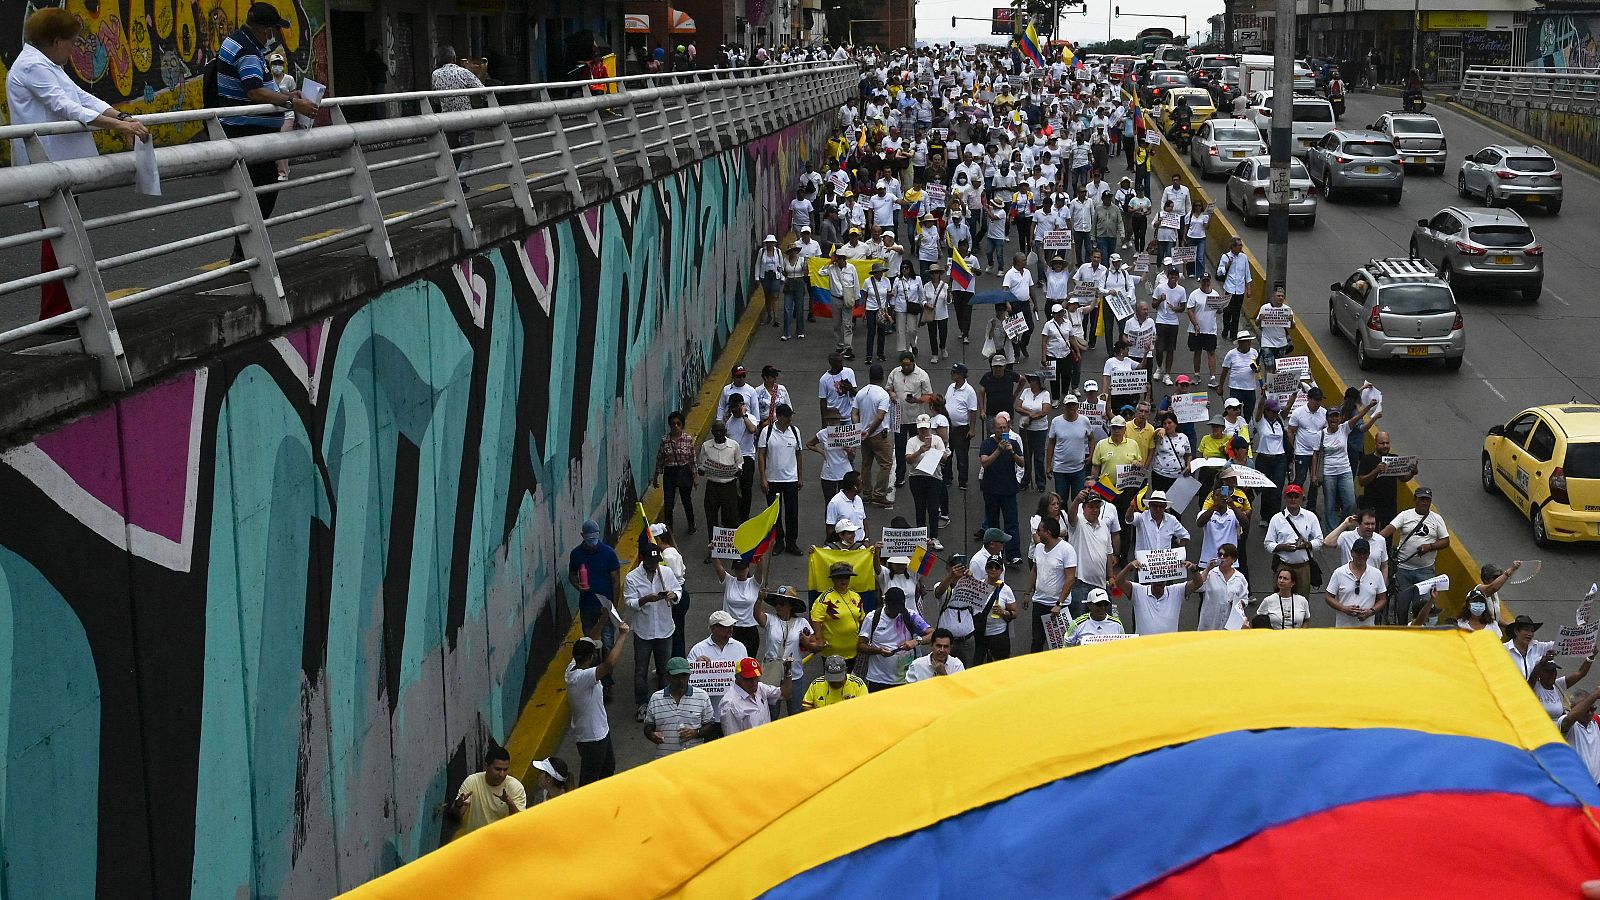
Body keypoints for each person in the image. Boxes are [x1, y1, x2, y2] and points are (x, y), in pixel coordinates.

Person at [6, 8, 153, 321]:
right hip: (50, 163)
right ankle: (57, 313)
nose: (75, 50)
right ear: (57, 41)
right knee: (59, 239)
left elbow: (81, 98)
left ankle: (64, 310)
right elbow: (65, 105)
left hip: (59, 163)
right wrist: (120, 126)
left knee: (63, 236)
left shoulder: (44, 64)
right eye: (72, 43)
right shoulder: (33, 67)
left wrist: (123, 117)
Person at [212, 3, 322, 263]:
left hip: (242, 129)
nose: (272, 35)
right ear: (264, 28)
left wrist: (286, 95)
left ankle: (247, 249)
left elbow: (258, 86)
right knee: (263, 192)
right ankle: (244, 252)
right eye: (272, 30)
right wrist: (293, 103)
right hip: (248, 132)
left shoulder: (235, 41)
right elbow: (254, 91)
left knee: (254, 192)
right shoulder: (248, 50)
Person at [566, 622, 631, 785]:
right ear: (591, 657)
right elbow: (609, 664)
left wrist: (602, 619)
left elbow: (589, 639)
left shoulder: (572, 668)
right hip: (593, 739)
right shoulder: (583, 677)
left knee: (608, 768)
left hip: (600, 732)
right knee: (589, 780)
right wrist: (622, 635)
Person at [623, 543, 681, 718]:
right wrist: (645, 599)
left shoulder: (666, 573)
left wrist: (674, 595)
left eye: (656, 562)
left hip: (664, 629)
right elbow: (629, 602)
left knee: (664, 669)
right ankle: (642, 704)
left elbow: (678, 590)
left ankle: (663, 704)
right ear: (642, 559)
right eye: (651, 561)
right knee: (641, 670)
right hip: (644, 632)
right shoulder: (632, 578)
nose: (654, 565)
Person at [569, 520, 623, 698]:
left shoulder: (608, 554)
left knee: (607, 642)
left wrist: (612, 607)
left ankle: (606, 682)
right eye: (589, 538)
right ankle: (592, 677)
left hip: (604, 607)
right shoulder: (576, 555)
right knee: (589, 643)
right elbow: (572, 575)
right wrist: (578, 585)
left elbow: (616, 581)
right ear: (582, 536)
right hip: (587, 606)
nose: (592, 542)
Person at [1379, 487, 1450, 625]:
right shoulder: (1405, 515)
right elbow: (1388, 530)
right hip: (1403, 570)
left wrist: (1430, 547)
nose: (1424, 502)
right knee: (1402, 606)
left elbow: (1446, 541)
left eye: (1427, 500)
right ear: (1415, 500)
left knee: (1423, 607)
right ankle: (1402, 630)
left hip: (1425, 571)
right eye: (1421, 499)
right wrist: (1375, 540)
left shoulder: (1437, 519)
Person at [1312, 398, 1381, 531]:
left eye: (1337, 416)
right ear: (1327, 419)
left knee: (1350, 503)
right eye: (1331, 417)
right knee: (1330, 504)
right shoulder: (1321, 435)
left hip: (1345, 471)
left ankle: (1342, 525)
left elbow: (1358, 416)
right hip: (1329, 473)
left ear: (1340, 418)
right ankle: (1332, 531)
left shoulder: (1344, 429)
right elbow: (1315, 454)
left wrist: (1369, 406)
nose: (1334, 419)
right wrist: (1314, 474)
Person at [756, 586, 819, 717]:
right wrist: (759, 600)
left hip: (794, 674)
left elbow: (815, 644)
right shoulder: (770, 619)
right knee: (771, 714)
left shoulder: (802, 622)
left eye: (782, 603)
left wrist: (807, 642)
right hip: (772, 673)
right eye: (776, 602)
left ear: (791, 606)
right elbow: (757, 615)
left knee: (795, 713)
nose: (778, 606)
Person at [857, 586, 931, 690]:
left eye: (899, 609)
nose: (896, 612)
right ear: (885, 602)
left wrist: (916, 642)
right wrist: (878, 650)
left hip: (905, 678)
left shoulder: (910, 615)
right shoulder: (872, 617)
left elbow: (933, 634)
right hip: (878, 679)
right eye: (893, 609)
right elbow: (860, 645)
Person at [641, 657, 718, 757]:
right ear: (668, 677)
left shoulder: (702, 696)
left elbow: (710, 724)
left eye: (684, 676)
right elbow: (648, 726)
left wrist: (696, 733)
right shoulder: (656, 698)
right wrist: (652, 735)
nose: (681, 681)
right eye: (676, 677)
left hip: (694, 758)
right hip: (665, 759)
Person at [757, 403, 804, 554]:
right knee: (775, 513)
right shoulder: (767, 431)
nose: (790, 419)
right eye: (788, 416)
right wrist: (763, 478)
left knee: (792, 512)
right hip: (773, 479)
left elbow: (798, 454)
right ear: (780, 416)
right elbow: (762, 454)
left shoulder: (795, 431)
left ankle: (791, 542)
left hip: (791, 479)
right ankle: (779, 541)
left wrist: (800, 477)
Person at [979, 413, 1025, 564]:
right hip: (991, 490)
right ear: (994, 429)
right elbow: (985, 463)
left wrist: (1011, 452)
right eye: (1000, 428)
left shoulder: (1014, 443)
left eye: (1005, 427)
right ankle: (994, 554)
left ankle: (1013, 554)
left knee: (1012, 523)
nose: (1003, 430)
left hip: (1009, 490)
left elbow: (1023, 463)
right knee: (993, 524)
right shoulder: (987, 444)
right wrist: (998, 450)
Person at [431, 47, 486, 172]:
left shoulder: (436, 74)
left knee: (454, 152)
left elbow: (435, 97)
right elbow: (481, 89)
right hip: (465, 117)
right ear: (454, 58)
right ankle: (461, 181)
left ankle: (456, 183)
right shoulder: (463, 72)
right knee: (467, 154)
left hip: (447, 119)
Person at [447, 747, 526, 834]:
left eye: (505, 769)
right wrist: (458, 805)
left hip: (503, 843)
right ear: (486, 766)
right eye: (498, 769)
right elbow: (456, 818)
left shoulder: (516, 787)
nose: (502, 774)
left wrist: (510, 804)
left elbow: (519, 823)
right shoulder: (472, 781)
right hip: (477, 841)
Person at [1025, 516, 1079, 643]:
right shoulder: (1038, 548)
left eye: (1039, 530)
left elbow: (1071, 578)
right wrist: (1027, 593)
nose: (1037, 533)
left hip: (1058, 606)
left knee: (1059, 643)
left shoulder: (1067, 550)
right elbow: (1034, 570)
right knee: (1037, 640)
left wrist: (1059, 604)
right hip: (1039, 602)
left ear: (1048, 533)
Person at [1264, 483, 1324, 595]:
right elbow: (1268, 543)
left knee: (1302, 601)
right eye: (1290, 496)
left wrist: (1308, 545)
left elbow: (1320, 540)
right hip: (1283, 566)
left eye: (1296, 496)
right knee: (1280, 599)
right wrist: (1281, 547)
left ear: (1302, 498)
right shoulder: (1276, 519)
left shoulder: (1310, 517)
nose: (1293, 499)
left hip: (1303, 567)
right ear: (1285, 498)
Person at [887, 351, 935, 487]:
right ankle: (900, 476)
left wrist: (917, 400)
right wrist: (892, 394)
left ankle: (921, 473)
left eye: (908, 365)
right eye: (903, 365)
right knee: (900, 448)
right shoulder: (895, 373)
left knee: (919, 446)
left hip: (916, 419)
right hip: (899, 418)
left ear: (913, 363)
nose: (905, 368)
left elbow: (929, 396)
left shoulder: (922, 375)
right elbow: (888, 388)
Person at [1113, 556, 1193, 635]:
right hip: (1144, 646)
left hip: (1169, 645)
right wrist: (1128, 567)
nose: (1159, 583)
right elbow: (1119, 582)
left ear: (1166, 581)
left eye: (1161, 581)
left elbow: (1198, 583)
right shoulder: (1138, 590)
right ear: (1150, 581)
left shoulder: (1176, 591)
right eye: (1156, 580)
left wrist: (1194, 570)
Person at [853, 364, 895, 506]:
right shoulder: (883, 394)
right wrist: (870, 431)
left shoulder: (861, 393)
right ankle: (878, 494)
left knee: (866, 464)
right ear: (882, 377)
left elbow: (854, 413)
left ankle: (866, 492)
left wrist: (859, 429)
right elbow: (880, 417)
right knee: (885, 464)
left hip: (863, 435)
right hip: (878, 434)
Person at [811, 562, 867, 669]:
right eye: (839, 577)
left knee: (850, 681)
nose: (843, 580)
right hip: (832, 653)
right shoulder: (825, 598)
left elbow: (862, 618)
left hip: (853, 651)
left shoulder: (856, 596)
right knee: (834, 682)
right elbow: (816, 619)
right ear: (833, 579)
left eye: (846, 577)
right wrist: (819, 639)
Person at [719, 657, 792, 735]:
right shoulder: (730, 705)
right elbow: (732, 739)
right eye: (749, 679)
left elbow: (785, 694)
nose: (754, 682)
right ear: (738, 677)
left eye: (756, 678)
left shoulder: (760, 688)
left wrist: (788, 672)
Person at [1325, 537, 1387, 627]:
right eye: (1358, 553)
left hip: (1367, 627)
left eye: (1364, 553)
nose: (1361, 556)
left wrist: (1371, 611)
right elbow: (1328, 597)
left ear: (1368, 555)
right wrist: (1343, 608)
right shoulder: (1339, 573)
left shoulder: (1376, 574)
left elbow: (1382, 599)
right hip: (1343, 627)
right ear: (1352, 553)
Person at [905, 415, 947, 548]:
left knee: (933, 508)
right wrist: (921, 450)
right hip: (917, 477)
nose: (923, 432)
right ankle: (921, 537)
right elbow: (909, 459)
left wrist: (933, 450)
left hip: (934, 478)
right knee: (920, 507)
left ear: (929, 427)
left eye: (925, 429)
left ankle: (934, 537)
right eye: (921, 429)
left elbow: (945, 457)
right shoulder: (912, 441)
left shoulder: (937, 440)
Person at [1358, 430, 1415, 526]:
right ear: (1375, 444)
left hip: (1389, 507)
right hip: (1371, 507)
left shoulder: (1394, 459)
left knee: (1388, 538)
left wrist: (1412, 473)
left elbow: (1402, 478)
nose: (1385, 446)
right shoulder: (1366, 459)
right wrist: (1376, 471)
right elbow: (1361, 481)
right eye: (1382, 443)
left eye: (1387, 443)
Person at [697, 420, 742, 535]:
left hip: (729, 486)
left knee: (731, 517)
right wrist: (701, 470)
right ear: (712, 432)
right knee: (711, 517)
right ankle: (713, 545)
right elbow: (701, 464)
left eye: (721, 431)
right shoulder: (706, 446)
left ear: (725, 431)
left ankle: (730, 548)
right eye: (716, 431)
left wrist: (738, 470)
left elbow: (739, 462)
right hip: (713, 486)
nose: (718, 434)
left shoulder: (734, 446)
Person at [656, 410, 697, 536]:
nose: (675, 426)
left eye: (678, 424)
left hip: (684, 471)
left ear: (682, 425)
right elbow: (660, 458)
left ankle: (691, 524)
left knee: (686, 500)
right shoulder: (665, 441)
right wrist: (656, 476)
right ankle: (669, 529)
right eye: (673, 424)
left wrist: (695, 477)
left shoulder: (688, 439)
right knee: (668, 503)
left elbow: (692, 459)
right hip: (670, 473)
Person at [976, 555, 1020, 662]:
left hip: (998, 634)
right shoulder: (977, 586)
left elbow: (1015, 612)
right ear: (986, 568)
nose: (993, 569)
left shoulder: (1006, 590)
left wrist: (1003, 612)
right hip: (979, 634)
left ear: (1001, 570)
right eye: (990, 566)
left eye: (997, 567)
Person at [1195, 545, 1250, 630]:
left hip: (1229, 622)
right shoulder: (1210, 573)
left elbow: (1245, 598)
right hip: (1210, 622)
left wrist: (1238, 603)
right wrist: (1207, 569)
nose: (1222, 557)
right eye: (1220, 554)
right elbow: (1198, 587)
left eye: (1226, 555)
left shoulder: (1240, 578)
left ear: (1233, 559)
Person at [945, 362, 980, 491]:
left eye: (954, 372)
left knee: (962, 456)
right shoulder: (950, 387)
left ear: (961, 375)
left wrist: (972, 429)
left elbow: (973, 410)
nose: (952, 374)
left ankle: (963, 481)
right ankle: (947, 478)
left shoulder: (969, 391)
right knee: (947, 454)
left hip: (961, 429)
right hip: (948, 427)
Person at [1017, 373, 1054, 491]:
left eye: (1034, 380)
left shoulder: (1045, 394)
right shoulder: (1026, 392)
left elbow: (1045, 411)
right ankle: (1025, 480)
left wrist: (1032, 418)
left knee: (1038, 457)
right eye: (1031, 380)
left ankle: (1040, 483)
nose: (1031, 382)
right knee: (1026, 455)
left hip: (1039, 430)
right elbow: (1017, 407)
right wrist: (1029, 413)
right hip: (1024, 428)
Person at [1126, 490, 1190, 555]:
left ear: (1165, 507)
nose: (1158, 509)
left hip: (1164, 562)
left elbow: (1185, 536)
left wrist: (1178, 553)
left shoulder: (1172, 520)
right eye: (1155, 505)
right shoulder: (1142, 517)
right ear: (1150, 505)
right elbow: (1129, 519)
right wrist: (1131, 507)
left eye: (1161, 506)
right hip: (1143, 561)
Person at [826, 250, 861, 357]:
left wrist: (857, 298)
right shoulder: (831, 268)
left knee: (847, 324)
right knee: (836, 324)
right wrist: (829, 263)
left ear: (844, 258)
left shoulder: (851, 268)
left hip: (847, 299)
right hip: (835, 299)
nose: (840, 260)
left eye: (841, 258)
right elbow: (820, 272)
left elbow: (856, 283)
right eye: (838, 258)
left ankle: (848, 347)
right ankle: (839, 346)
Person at [802, 654, 870, 709]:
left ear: (846, 671)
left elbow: (864, 708)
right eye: (831, 679)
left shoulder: (858, 684)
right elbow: (806, 706)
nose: (835, 683)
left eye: (838, 678)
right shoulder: (816, 684)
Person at [1216, 237, 1252, 339]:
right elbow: (1219, 272)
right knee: (1227, 311)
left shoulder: (1244, 257)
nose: (1241, 248)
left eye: (1241, 245)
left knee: (1236, 314)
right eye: (1239, 246)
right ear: (1233, 246)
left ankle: (1233, 334)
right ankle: (1226, 327)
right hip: (1229, 289)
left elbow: (1247, 273)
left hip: (1240, 290)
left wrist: (1249, 288)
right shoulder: (1225, 257)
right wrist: (1228, 265)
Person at [1505, 614, 1555, 680]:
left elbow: (1558, 645)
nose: (1530, 634)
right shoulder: (1503, 649)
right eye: (1526, 630)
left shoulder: (1537, 646)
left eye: (1532, 631)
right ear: (1516, 631)